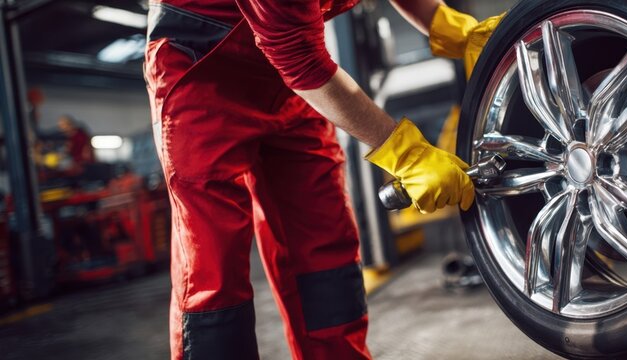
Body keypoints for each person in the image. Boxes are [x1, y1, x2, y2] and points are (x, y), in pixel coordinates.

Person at [143, 1, 502, 358]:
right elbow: (296, 57)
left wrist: (444, 23)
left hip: (288, 77)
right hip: (200, 67)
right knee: (214, 269)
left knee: (325, 247)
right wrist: (406, 153)